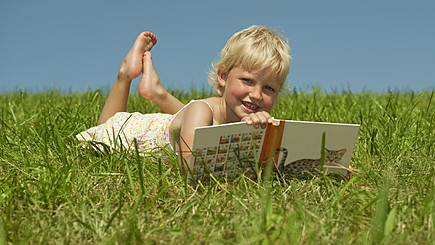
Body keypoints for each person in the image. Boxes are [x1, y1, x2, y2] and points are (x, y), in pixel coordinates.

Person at [77, 26, 291, 167]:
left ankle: (156, 92)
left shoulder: (229, 115)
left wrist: (263, 137)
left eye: (269, 89)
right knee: (105, 127)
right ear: (223, 76)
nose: (256, 95)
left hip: (174, 124)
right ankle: (125, 73)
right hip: (134, 134)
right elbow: (190, 167)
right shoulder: (201, 110)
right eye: (248, 81)